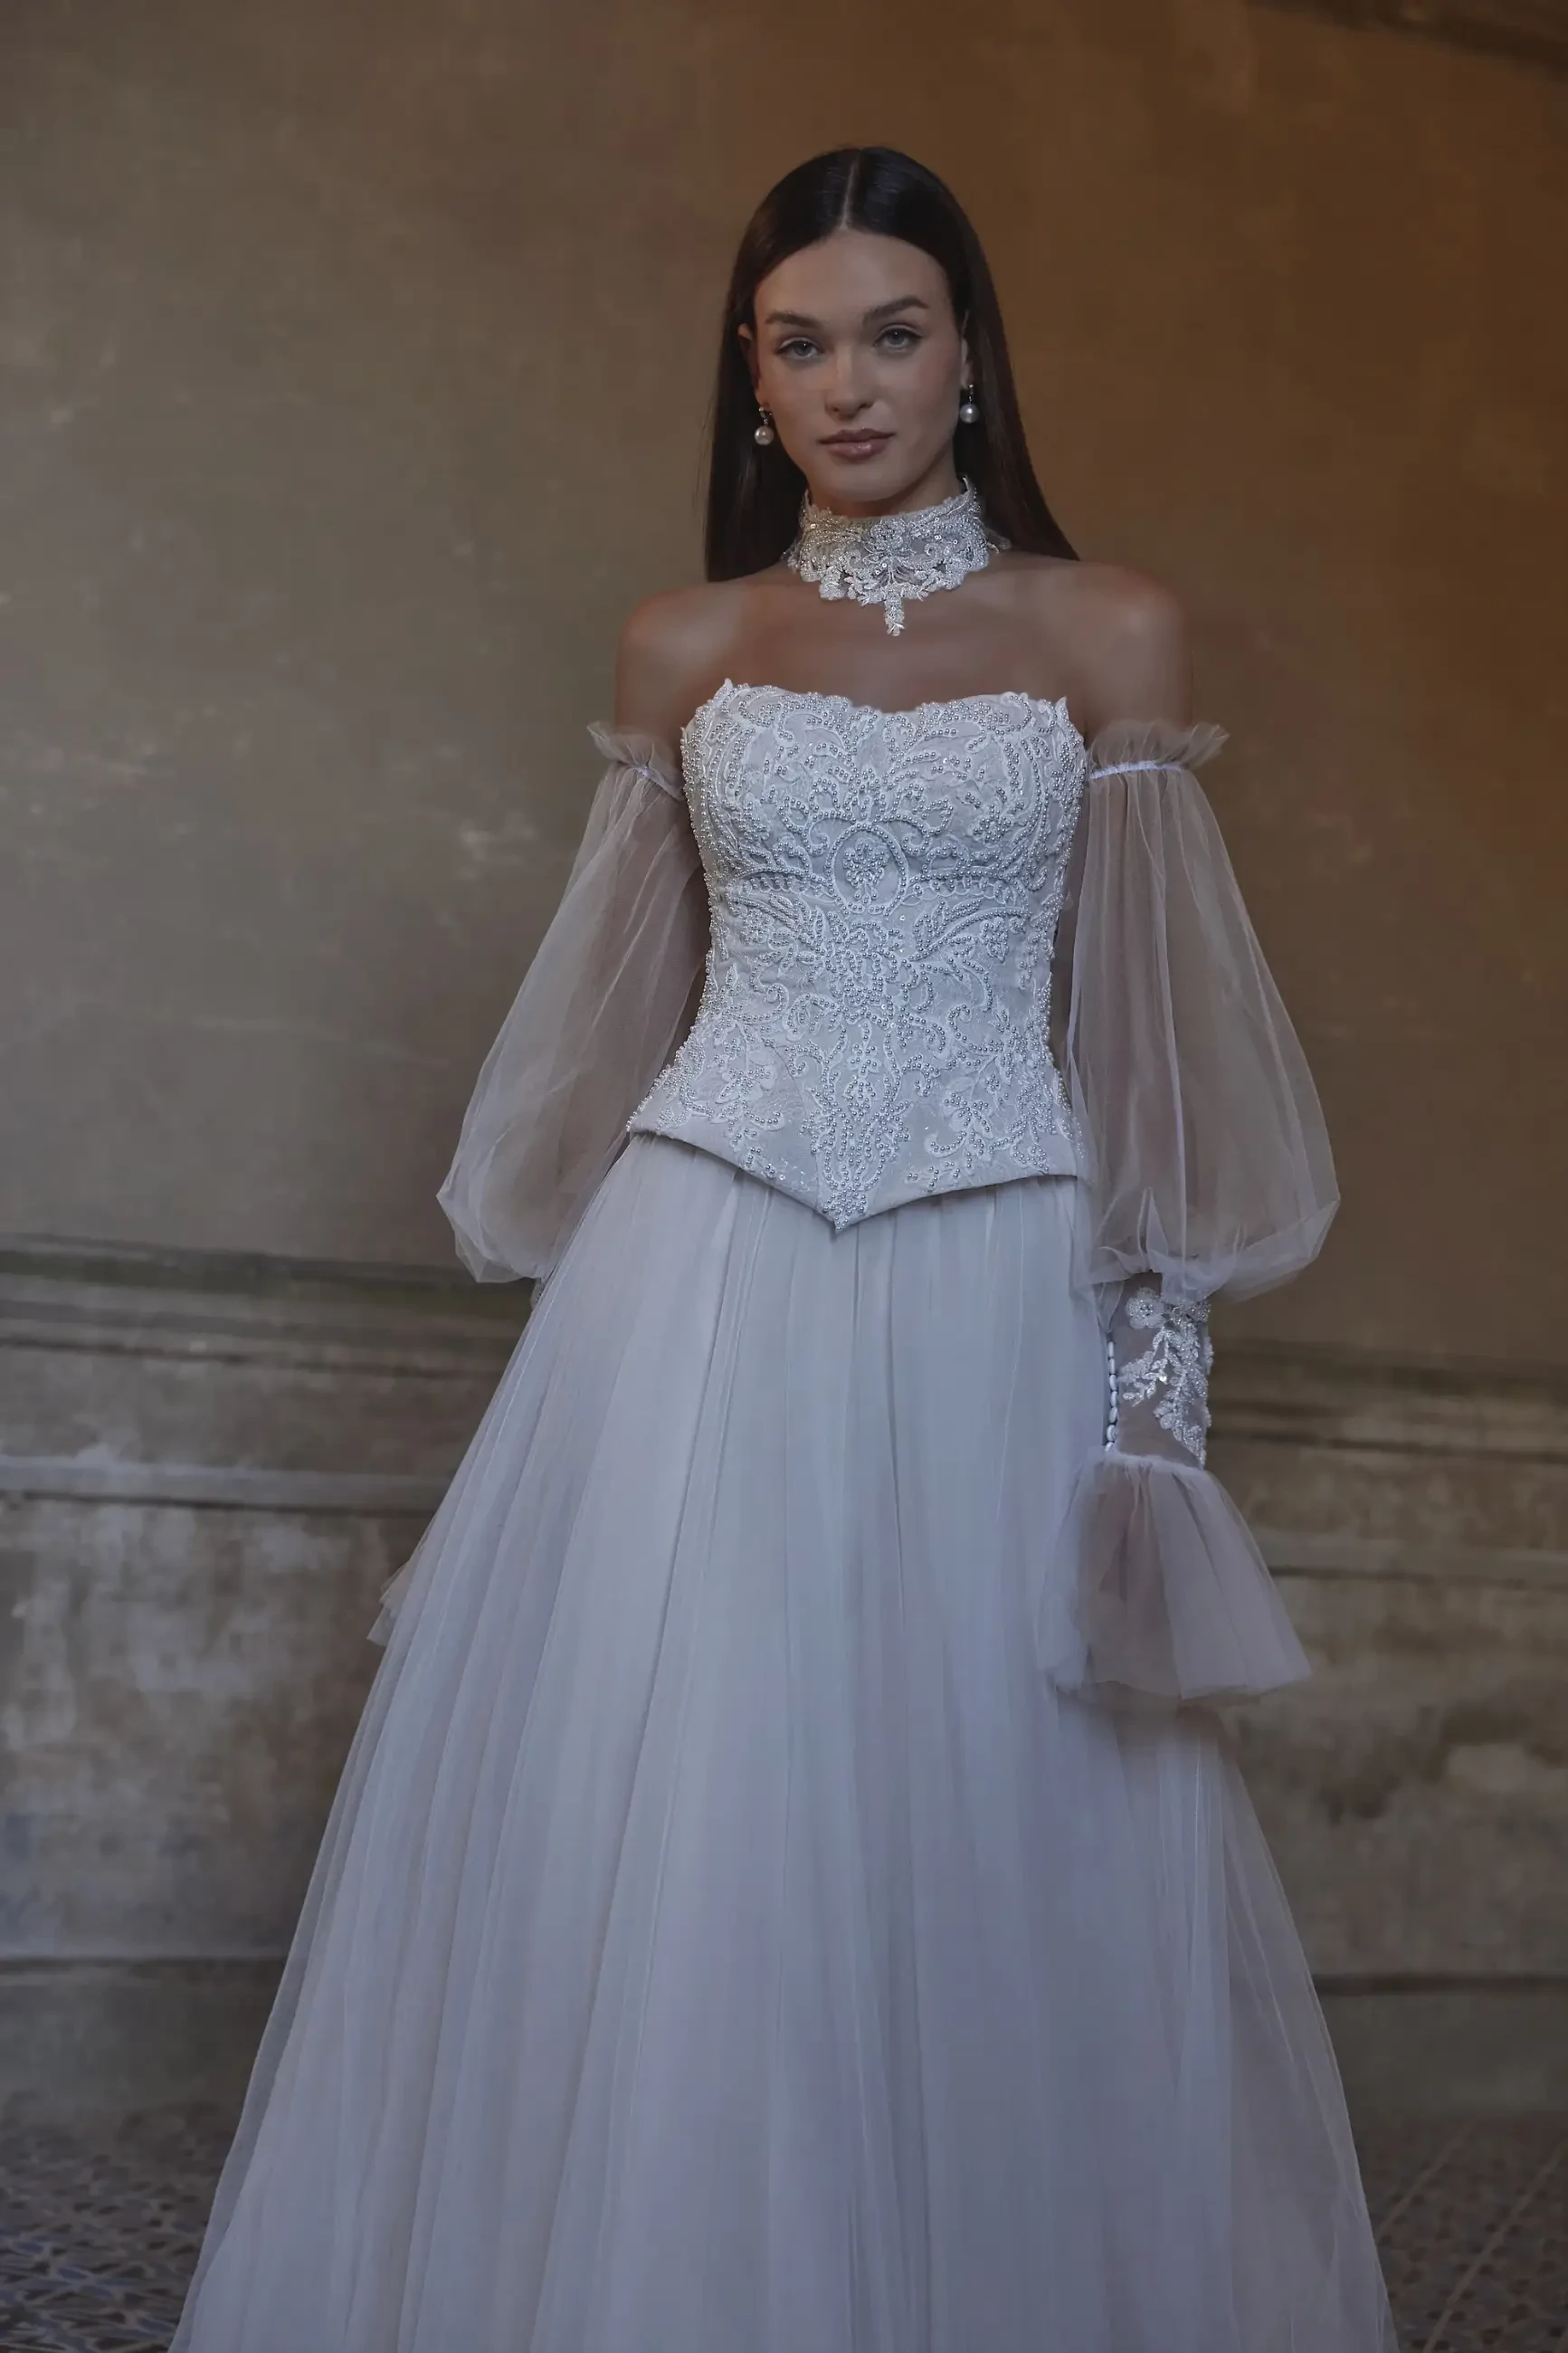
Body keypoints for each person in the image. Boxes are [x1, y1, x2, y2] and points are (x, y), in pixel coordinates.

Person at [174, 146, 1398, 2352]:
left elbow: (1146, 1055)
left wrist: (1153, 1404)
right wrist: (591, 1352)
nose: (847, 382)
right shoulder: (684, 644)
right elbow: (612, 1017)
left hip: (992, 1279)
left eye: (891, 331)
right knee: (692, 1822)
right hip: (707, 1265)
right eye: (797, 340)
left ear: (968, 352)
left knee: (996, 1821)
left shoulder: (1104, 628)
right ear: (747, 381)